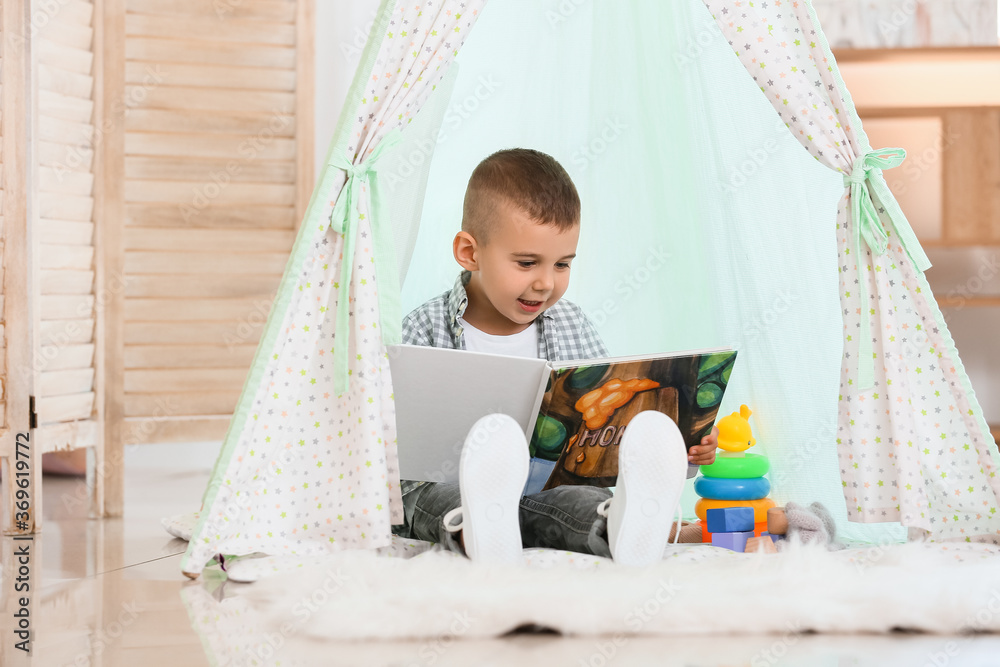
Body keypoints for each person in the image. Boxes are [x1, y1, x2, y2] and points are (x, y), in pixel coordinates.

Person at [392, 148, 718, 566]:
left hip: (548, 492)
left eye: (563, 264)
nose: (546, 283)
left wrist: (680, 446)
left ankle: (622, 525)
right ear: (470, 253)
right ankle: (476, 531)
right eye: (527, 263)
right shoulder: (421, 329)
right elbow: (388, 438)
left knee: (581, 500)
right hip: (450, 487)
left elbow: (608, 429)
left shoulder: (571, 325)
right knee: (434, 499)